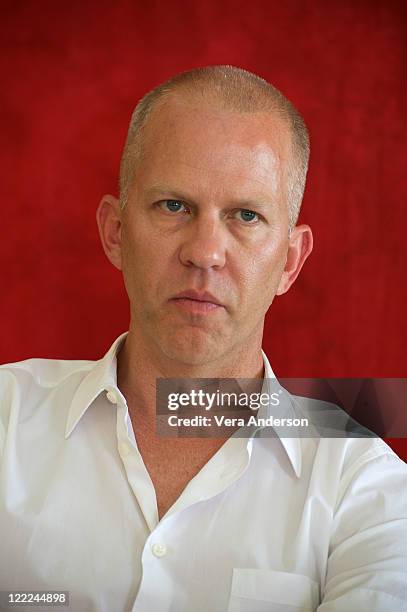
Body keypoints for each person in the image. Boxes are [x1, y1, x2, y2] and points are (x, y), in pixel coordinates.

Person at [0, 65, 406, 612]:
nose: (205, 252)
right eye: (174, 206)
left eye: (245, 215)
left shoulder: (367, 487)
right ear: (115, 232)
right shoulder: (6, 416)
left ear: (290, 262)